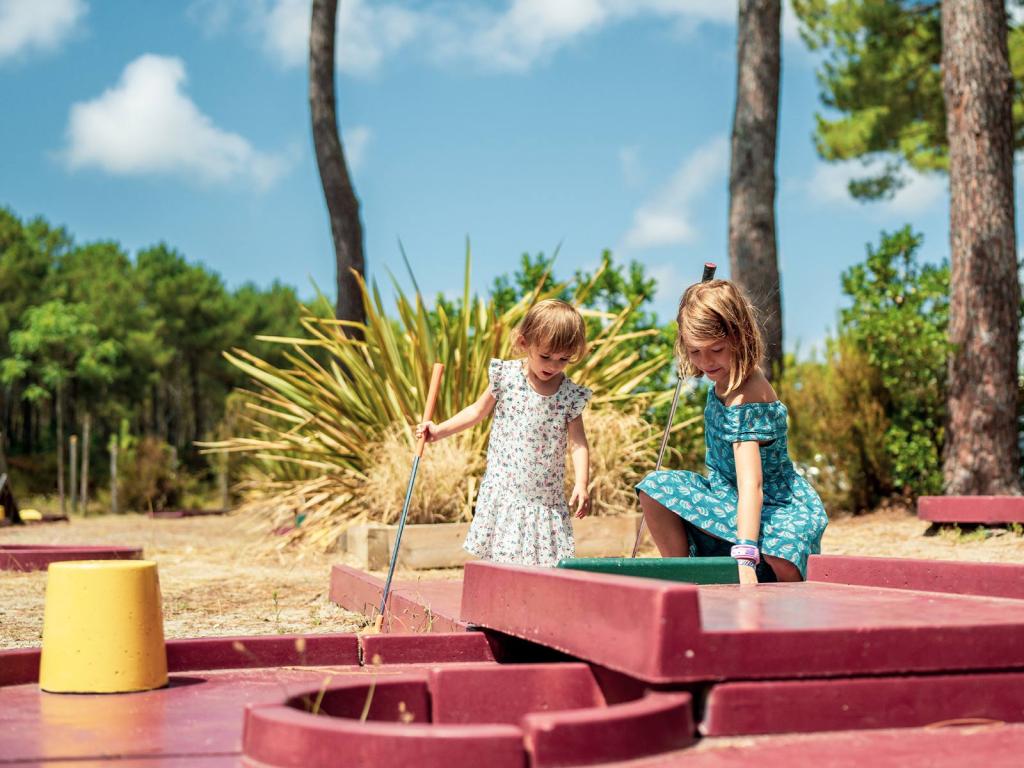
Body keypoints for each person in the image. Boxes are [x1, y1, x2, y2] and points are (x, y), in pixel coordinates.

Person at [635, 280, 827, 584]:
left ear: (740, 336)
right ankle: (684, 575)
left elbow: (752, 486)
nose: (706, 361)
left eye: (716, 349)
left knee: (781, 550)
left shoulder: (745, 395)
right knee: (654, 489)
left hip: (774, 504)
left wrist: (747, 556)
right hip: (726, 495)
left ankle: (787, 592)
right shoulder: (722, 380)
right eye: (694, 351)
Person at [416, 299, 593, 566]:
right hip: (506, 488)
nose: (553, 365)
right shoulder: (507, 377)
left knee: (544, 564)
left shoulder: (569, 395)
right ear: (524, 344)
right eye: (546, 356)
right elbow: (477, 412)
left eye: (563, 359)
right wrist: (438, 431)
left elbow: (578, 443)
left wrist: (581, 483)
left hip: (544, 497)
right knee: (504, 558)